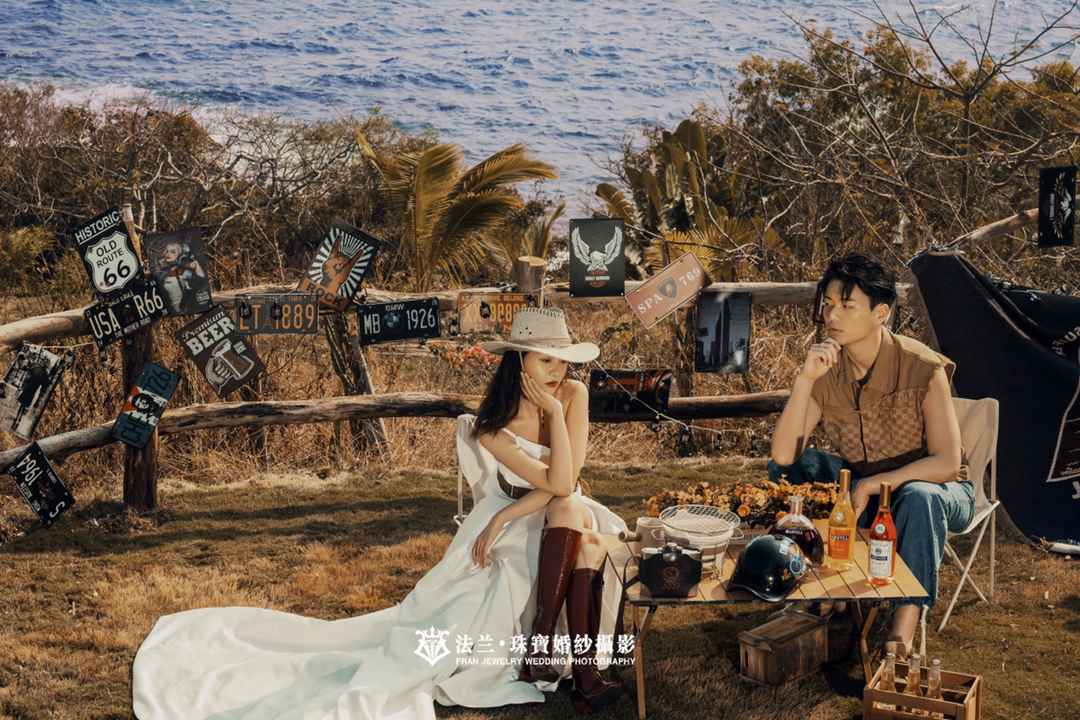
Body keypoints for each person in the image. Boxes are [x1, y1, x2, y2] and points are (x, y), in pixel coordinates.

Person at [131, 306, 628, 720]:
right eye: (546, 360)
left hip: (556, 511)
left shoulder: (573, 394)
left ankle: (546, 652)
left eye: (563, 361)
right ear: (519, 360)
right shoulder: (490, 426)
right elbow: (557, 482)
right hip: (523, 512)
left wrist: (555, 414)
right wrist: (501, 516)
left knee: (573, 512)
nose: (557, 372)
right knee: (563, 529)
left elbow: (567, 481)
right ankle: (571, 671)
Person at [768, 253, 974, 658]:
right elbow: (783, 454)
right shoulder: (827, 369)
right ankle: (824, 586)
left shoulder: (922, 368)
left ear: (882, 312)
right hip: (862, 485)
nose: (832, 315)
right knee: (790, 468)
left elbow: (948, 464)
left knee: (919, 496)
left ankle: (902, 630)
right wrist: (805, 380)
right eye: (828, 304)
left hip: (936, 491)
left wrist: (876, 484)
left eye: (847, 305)